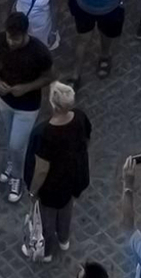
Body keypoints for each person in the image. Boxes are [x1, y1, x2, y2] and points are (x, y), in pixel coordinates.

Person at [25, 81, 93, 260]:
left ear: (53, 104)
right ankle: (64, 239)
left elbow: (41, 169)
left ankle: (46, 251)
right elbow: (86, 141)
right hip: (71, 178)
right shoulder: (80, 118)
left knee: (47, 217)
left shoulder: (44, 133)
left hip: (51, 185)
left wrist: (33, 191)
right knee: (66, 209)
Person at [0, 8, 52, 202]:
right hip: (5, 100)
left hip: (27, 106)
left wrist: (26, 88)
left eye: (15, 39)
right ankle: (12, 162)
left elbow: (49, 77)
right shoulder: (0, 41)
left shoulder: (39, 52)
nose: (11, 42)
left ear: (26, 34)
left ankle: (17, 176)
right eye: (9, 37)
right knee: (10, 137)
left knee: (17, 144)